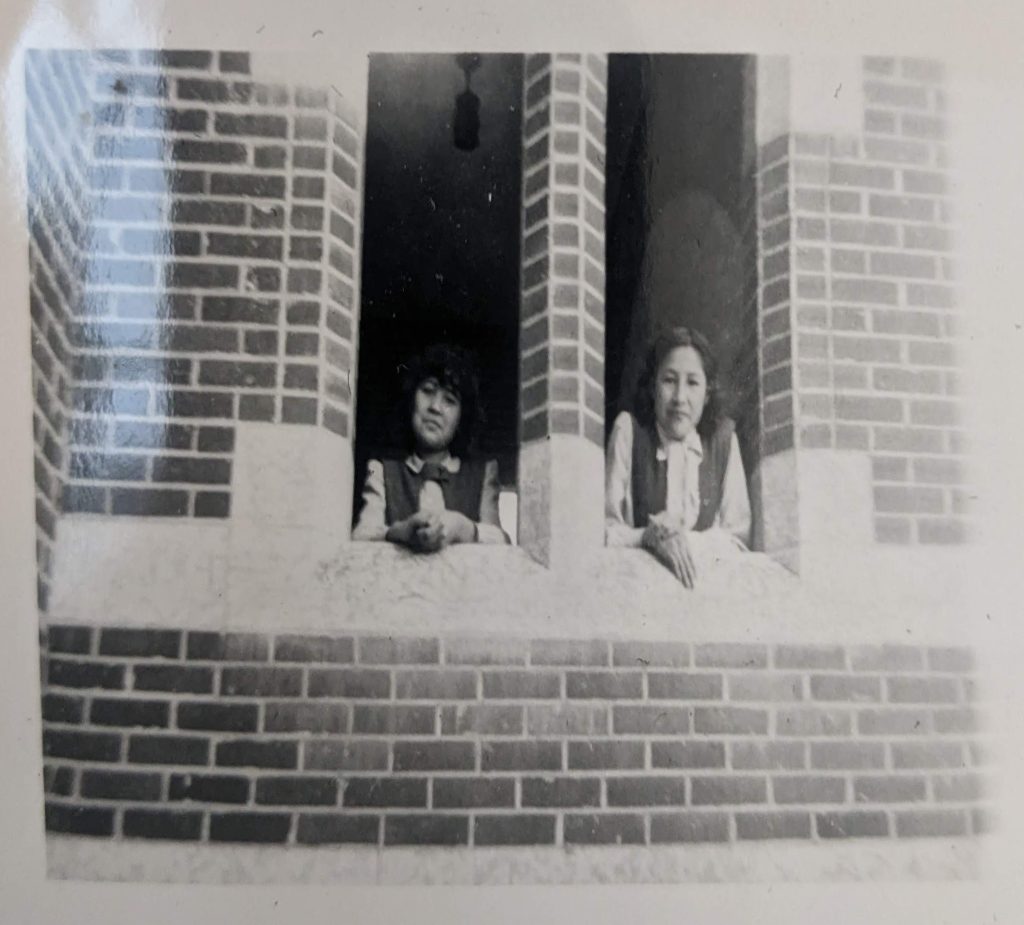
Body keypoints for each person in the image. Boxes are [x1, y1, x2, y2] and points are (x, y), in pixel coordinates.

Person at [605, 326, 751, 587]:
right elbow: (605, 531)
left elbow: (738, 537)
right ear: (652, 386)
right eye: (669, 380)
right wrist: (649, 537)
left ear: (707, 394)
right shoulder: (629, 433)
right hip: (636, 590)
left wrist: (681, 539)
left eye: (692, 383)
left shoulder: (724, 440)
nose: (680, 398)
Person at [353, 343, 509, 549]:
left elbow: (501, 543)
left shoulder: (483, 474)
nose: (435, 407)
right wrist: (401, 531)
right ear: (411, 400)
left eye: (450, 400)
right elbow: (361, 537)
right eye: (427, 391)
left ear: (462, 418)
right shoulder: (382, 470)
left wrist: (465, 528)